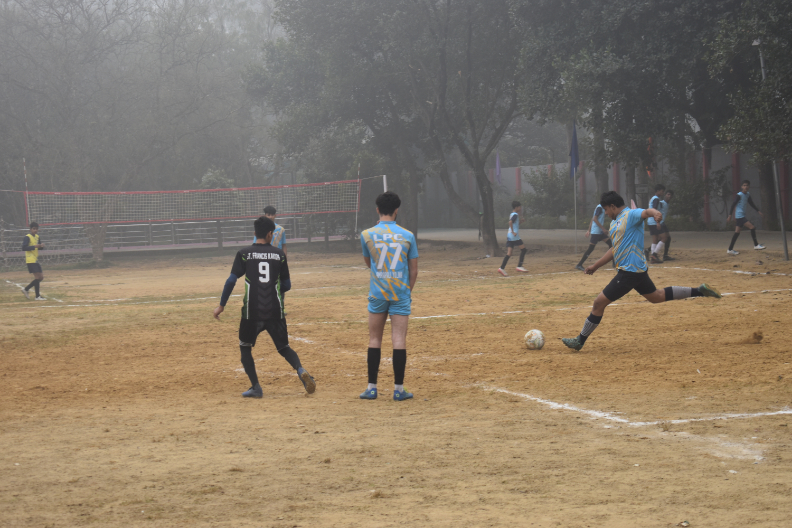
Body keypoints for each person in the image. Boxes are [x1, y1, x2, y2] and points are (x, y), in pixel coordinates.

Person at [561, 191, 722, 352]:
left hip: (629, 272)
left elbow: (645, 212)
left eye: (606, 210)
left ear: (612, 206)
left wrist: (655, 213)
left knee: (598, 303)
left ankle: (580, 341)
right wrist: (595, 266)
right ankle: (700, 291)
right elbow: (614, 249)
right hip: (637, 271)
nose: (606, 213)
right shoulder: (615, 224)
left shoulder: (630, 215)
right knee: (656, 296)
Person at [214, 216, 315, 398]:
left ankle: (256, 387)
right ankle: (300, 370)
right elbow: (287, 285)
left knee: (245, 347)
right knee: (284, 348)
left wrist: (221, 305)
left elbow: (230, 281)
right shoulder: (279, 255)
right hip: (275, 310)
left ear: (255, 233)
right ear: (270, 234)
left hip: (251, 311)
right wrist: (272, 288)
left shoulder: (244, 253)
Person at [359, 191, 419, 401]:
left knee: (374, 338)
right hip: (400, 292)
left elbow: (370, 263)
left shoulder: (367, 234)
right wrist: (406, 291)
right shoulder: (408, 235)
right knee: (399, 339)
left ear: (377, 210)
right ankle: (399, 390)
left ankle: (371, 388)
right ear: (396, 210)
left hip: (378, 292)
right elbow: (414, 270)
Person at [726, 180, 766, 255]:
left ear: (749, 186)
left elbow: (751, 203)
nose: (746, 187)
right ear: (742, 187)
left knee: (737, 233)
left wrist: (758, 211)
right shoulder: (739, 195)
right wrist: (730, 215)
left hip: (741, 216)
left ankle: (730, 249)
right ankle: (756, 245)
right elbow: (733, 204)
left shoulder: (747, 194)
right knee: (752, 227)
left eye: (747, 185)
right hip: (740, 216)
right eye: (744, 185)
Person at [576, 203, 612, 271]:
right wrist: (603, 228)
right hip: (596, 232)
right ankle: (579, 264)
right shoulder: (599, 208)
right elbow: (595, 219)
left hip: (600, 232)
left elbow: (593, 219)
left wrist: (589, 230)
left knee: (611, 244)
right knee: (590, 249)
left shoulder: (601, 207)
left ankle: (614, 262)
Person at [498, 201, 528, 276]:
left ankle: (501, 268)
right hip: (514, 236)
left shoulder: (512, 214)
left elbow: (515, 224)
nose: (520, 208)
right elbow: (510, 222)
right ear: (516, 207)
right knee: (524, 250)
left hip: (510, 236)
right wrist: (513, 232)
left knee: (509, 253)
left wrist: (520, 222)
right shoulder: (515, 214)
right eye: (519, 207)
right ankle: (519, 266)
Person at [21, 222, 46, 300]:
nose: (35, 230)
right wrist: (34, 246)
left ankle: (26, 289)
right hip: (30, 260)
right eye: (34, 229)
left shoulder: (37, 237)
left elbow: (39, 247)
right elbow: (24, 248)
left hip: (35, 259)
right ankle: (37, 296)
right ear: (30, 229)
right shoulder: (27, 237)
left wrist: (41, 246)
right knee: (38, 277)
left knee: (41, 277)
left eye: (36, 229)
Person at [646, 184, 668, 263]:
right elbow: (654, 210)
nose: (663, 192)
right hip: (654, 222)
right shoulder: (656, 199)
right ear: (658, 191)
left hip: (650, 221)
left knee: (655, 240)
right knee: (664, 238)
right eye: (662, 191)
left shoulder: (653, 198)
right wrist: (657, 222)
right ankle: (654, 255)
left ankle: (653, 258)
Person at [660, 190, 675, 261]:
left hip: (662, 222)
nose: (669, 196)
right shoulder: (661, 203)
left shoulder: (667, 204)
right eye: (668, 194)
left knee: (667, 238)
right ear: (665, 195)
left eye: (670, 195)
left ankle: (665, 255)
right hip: (659, 222)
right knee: (663, 238)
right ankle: (649, 251)